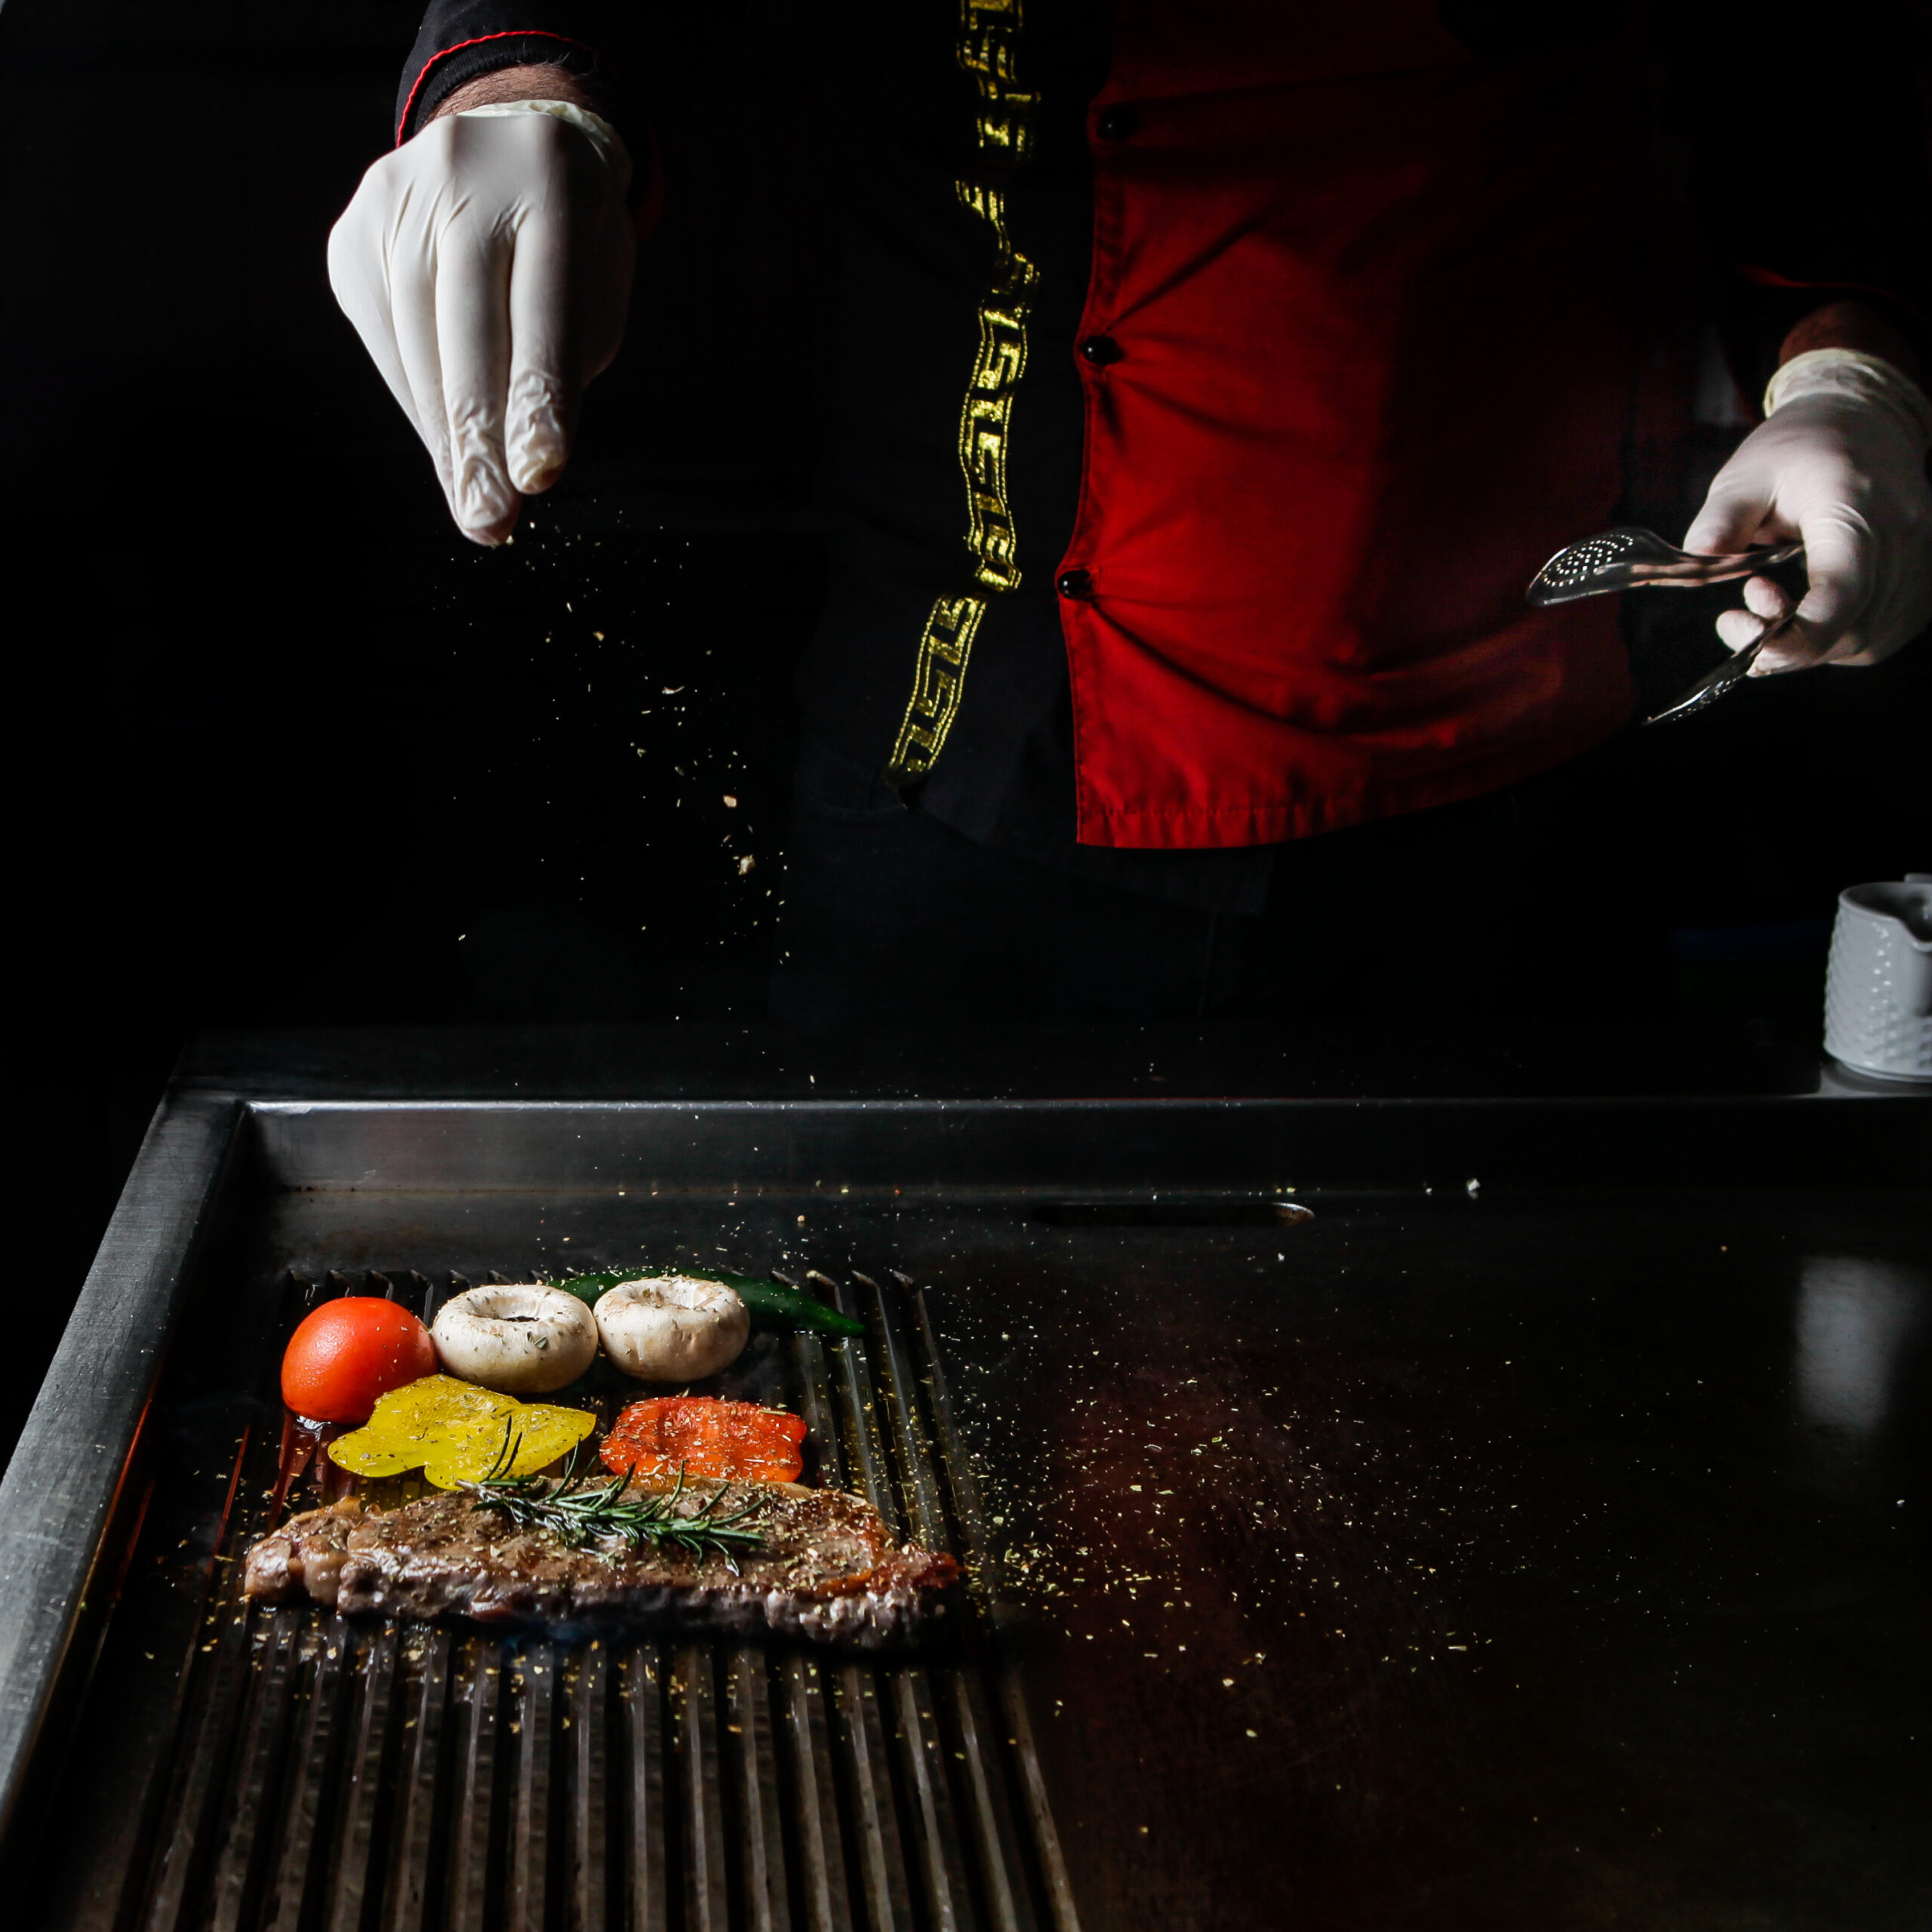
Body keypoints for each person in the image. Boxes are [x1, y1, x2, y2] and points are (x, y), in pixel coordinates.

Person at [329, 3, 1932, 1026]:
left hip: (1501, 774)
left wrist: (1847, 368)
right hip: (952, 755)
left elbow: (1808, 65)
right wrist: (522, 66)